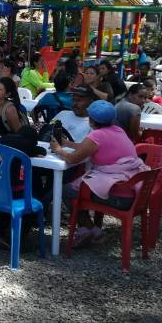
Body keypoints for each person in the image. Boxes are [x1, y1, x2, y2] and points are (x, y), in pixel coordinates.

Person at [51, 100, 148, 247]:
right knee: (75, 188)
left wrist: (58, 149)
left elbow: (73, 158)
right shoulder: (118, 130)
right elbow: (89, 147)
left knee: (67, 191)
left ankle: (88, 230)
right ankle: (92, 230)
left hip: (119, 197)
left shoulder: (96, 136)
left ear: (91, 120)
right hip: (133, 191)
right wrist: (67, 144)